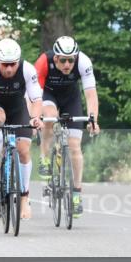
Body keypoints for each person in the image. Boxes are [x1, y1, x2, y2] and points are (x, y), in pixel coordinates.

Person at [0, 38, 43, 220]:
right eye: (5, 65)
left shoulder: (27, 69)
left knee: (23, 150)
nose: (9, 69)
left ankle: (24, 197)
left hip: (18, 108)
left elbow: (36, 99)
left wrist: (36, 117)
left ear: (18, 61)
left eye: (13, 64)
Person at [35, 36, 100, 216]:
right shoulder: (43, 62)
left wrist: (93, 118)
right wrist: (36, 117)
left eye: (71, 60)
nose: (67, 64)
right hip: (47, 95)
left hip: (71, 98)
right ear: (55, 58)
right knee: (50, 116)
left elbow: (91, 94)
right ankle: (45, 158)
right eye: (63, 60)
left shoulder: (83, 62)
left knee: (74, 146)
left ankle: (77, 195)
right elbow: (33, 94)